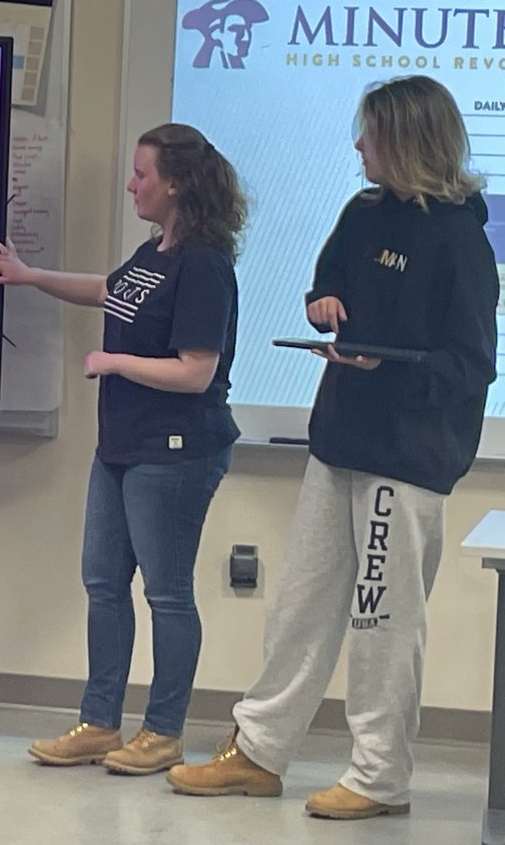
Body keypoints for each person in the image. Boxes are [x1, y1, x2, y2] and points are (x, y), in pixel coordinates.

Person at [168, 76, 499, 820]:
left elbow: (472, 365)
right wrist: (321, 304)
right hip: (339, 437)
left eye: (370, 134)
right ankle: (258, 752)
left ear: (408, 142)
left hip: (406, 459)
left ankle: (380, 778)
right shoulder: (362, 211)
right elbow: (328, 282)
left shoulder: (460, 242)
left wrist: (391, 370)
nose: (357, 146)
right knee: (301, 603)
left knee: (382, 620)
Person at [0, 123, 243, 775]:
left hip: (177, 451)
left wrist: (116, 360)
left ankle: (163, 733)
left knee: (167, 594)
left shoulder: (204, 265)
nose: (132, 185)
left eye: (142, 175)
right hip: (121, 446)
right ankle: (99, 722)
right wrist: (29, 275)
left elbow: (196, 372)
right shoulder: (154, 250)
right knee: (103, 584)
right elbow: (108, 289)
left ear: (175, 184)